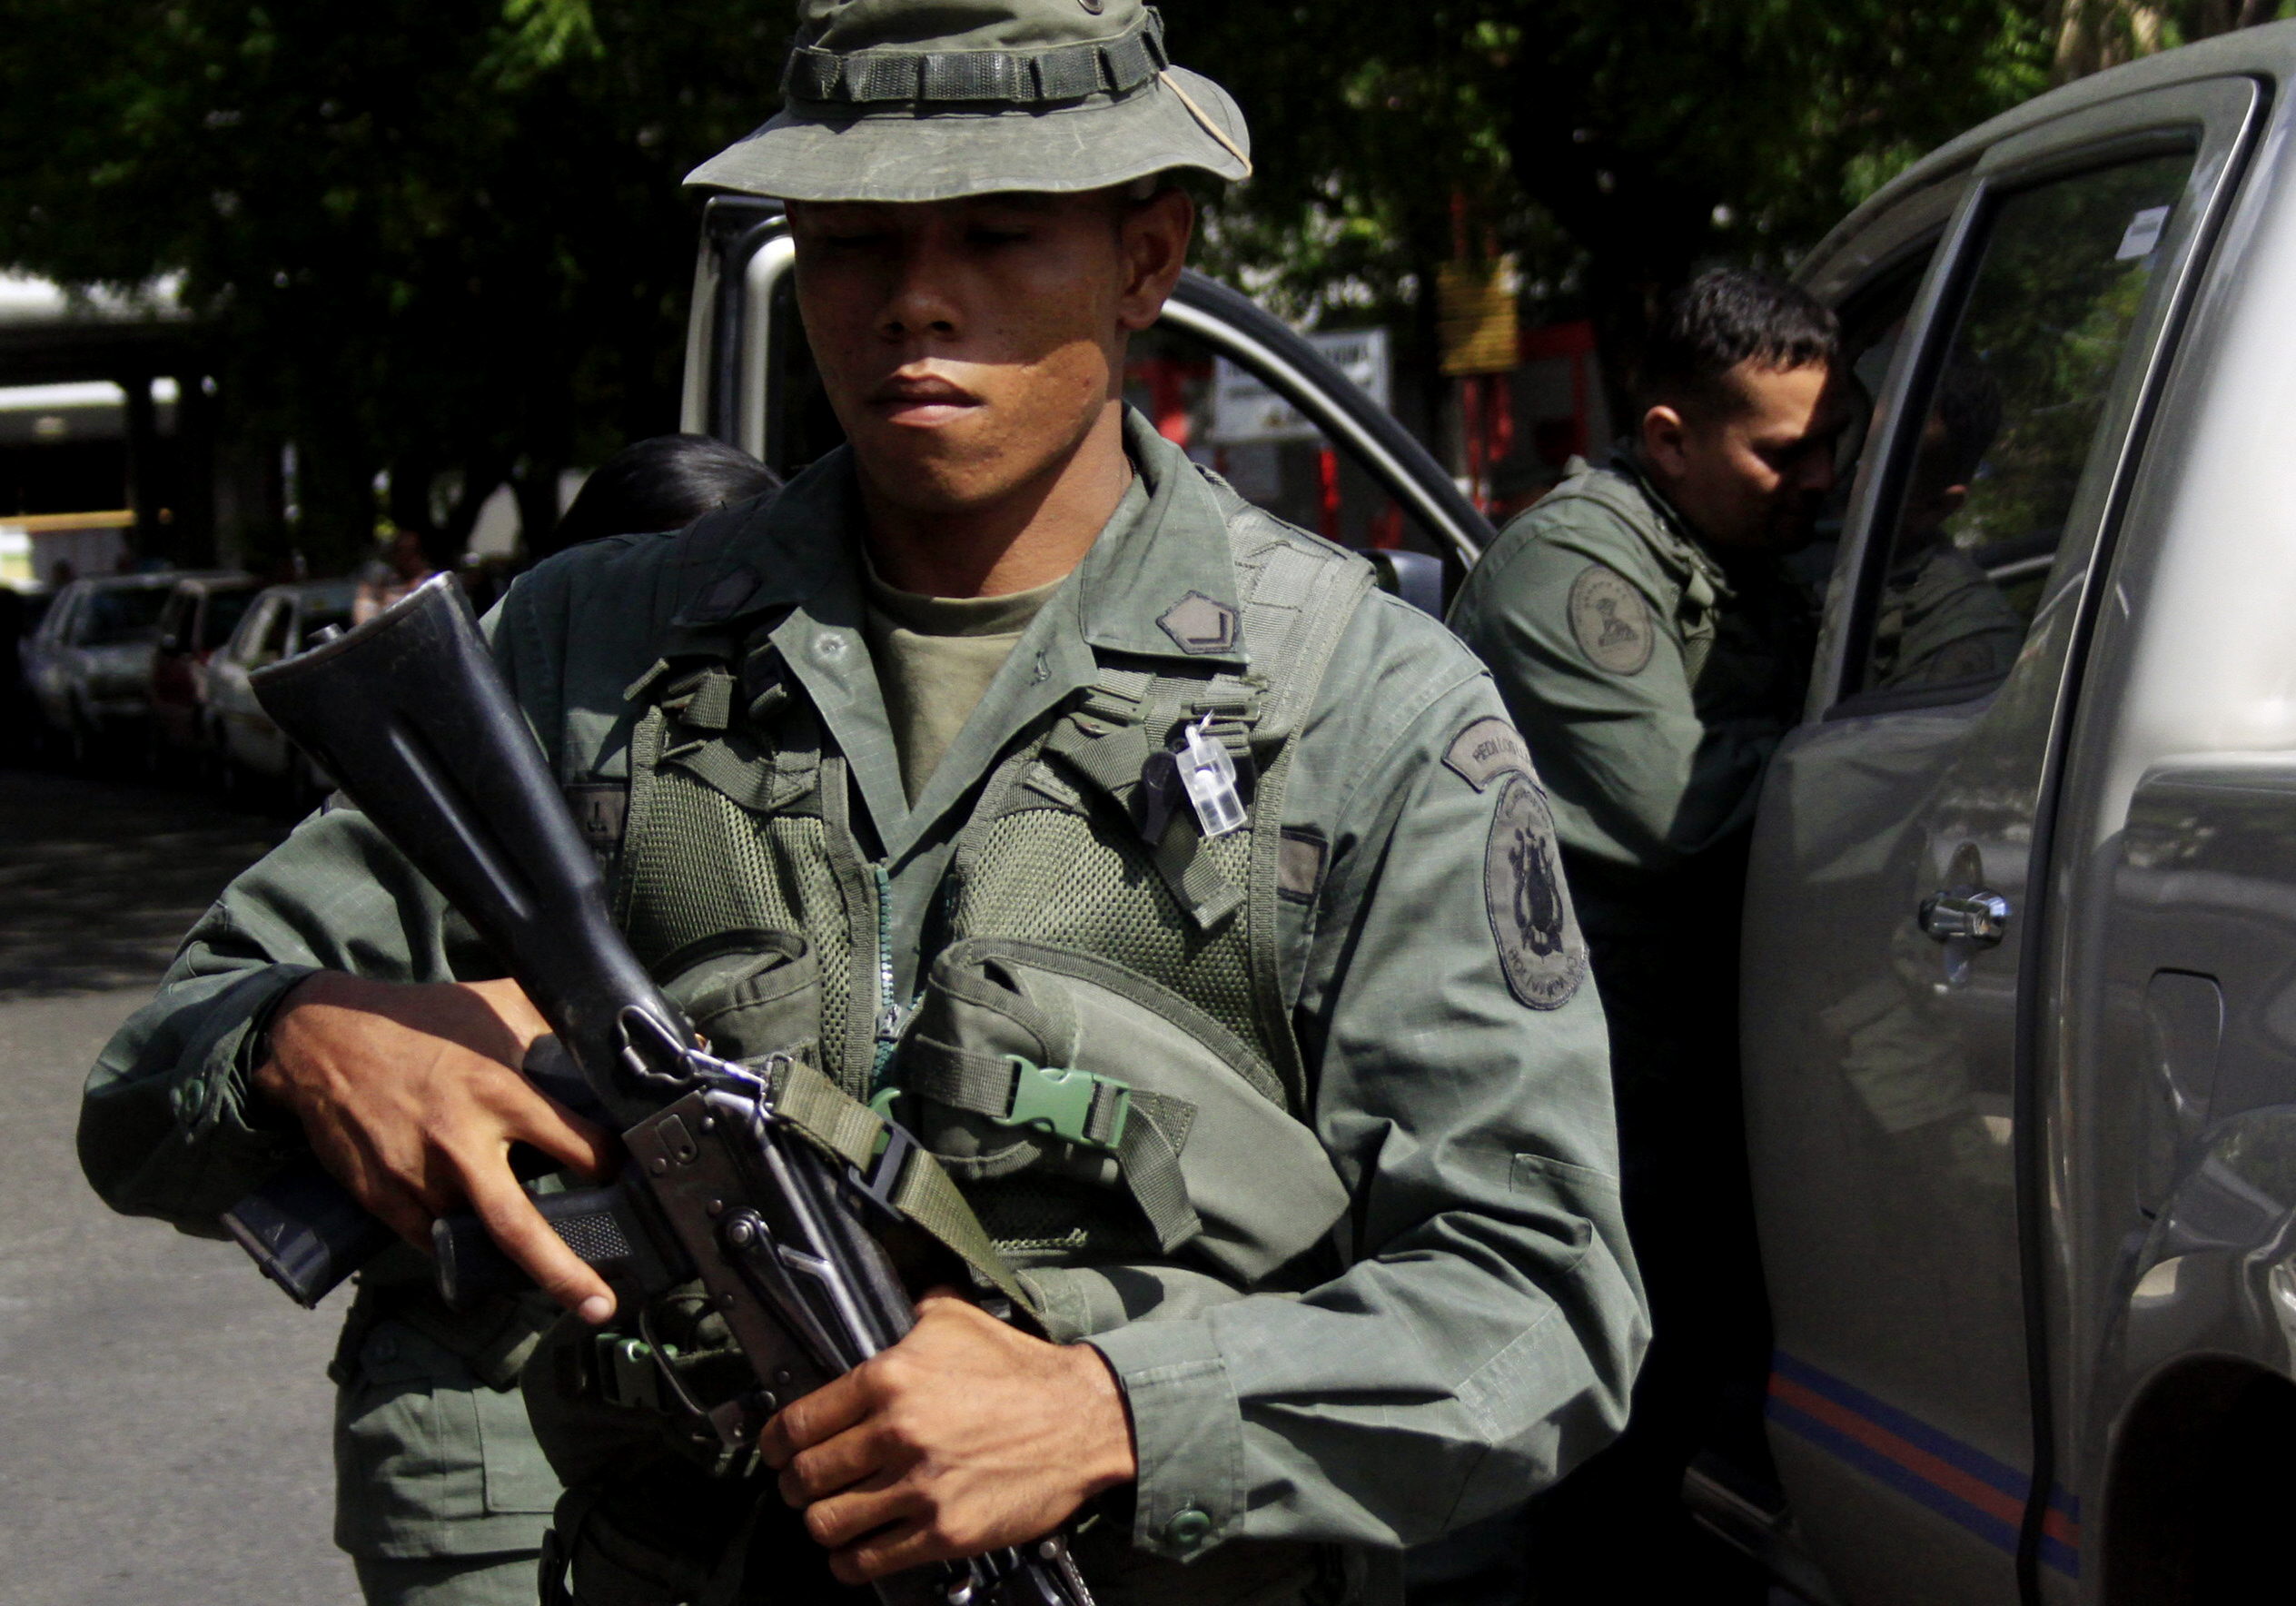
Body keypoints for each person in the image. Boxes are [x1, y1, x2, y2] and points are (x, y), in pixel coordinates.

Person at [79, 5, 1645, 1603]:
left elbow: (1540, 1296)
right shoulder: (587, 647)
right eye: (850, 243)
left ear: (1148, 256)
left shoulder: (1362, 703)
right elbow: (153, 1078)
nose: (911, 303)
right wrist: (298, 1043)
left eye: (995, 236)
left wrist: (1114, 1408)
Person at [1447, 268, 1851, 1602]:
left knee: (1674, 1462)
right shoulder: (1573, 565)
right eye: (1782, 451)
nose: (1820, 477)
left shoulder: (1778, 549)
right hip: (1585, 1091)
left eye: (1832, 442)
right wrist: (1871, 749)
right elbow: (1685, 805)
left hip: (1720, 1073)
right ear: (1671, 439)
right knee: (1556, 1465)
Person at [354, 529, 440, 624]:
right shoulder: (380, 579)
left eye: (411, 552)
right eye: (400, 551)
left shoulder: (433, 581)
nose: (405, 558)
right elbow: (364, 620)